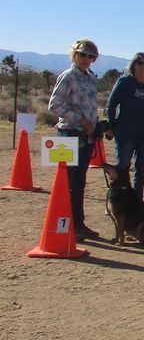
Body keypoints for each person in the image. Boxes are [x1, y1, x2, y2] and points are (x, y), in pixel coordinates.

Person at [48, 38, 103, 240]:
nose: (86, 59)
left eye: (91, 56)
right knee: (66, 182)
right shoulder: (68, 76)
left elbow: (91, 105)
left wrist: (95, 125)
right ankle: (63, 226)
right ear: (75, 54)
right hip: (68, 135)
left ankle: (77, 224)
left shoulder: (90, 78)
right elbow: (54, 106)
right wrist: (80, 120)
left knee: (79, 182)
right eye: (83, 54)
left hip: (86, 137)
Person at [105, 51, 144, 199]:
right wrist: (110, 125)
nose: (143, 66)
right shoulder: (125, 82)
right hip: (125, 132)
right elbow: (111, 104)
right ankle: (117, 197)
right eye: (139, 63)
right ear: (133, 65)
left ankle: (137, 200)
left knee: (141, 170)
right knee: (122, 166)